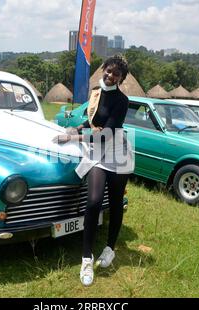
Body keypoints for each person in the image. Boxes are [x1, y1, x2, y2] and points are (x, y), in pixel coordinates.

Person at [53, 55, 134, 286]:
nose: (110, 76)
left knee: (116, 201)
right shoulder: (95, 93)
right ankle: (86, 258)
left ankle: (110, 248)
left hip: (116, 152)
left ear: (121, 79)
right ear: (103, 71)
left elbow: (106, 134)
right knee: (94, 201)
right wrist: (77, 127)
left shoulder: (122, 100)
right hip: (98, 154)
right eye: (108, 71)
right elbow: (93, 122)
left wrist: (72, 136)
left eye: (115, 74)